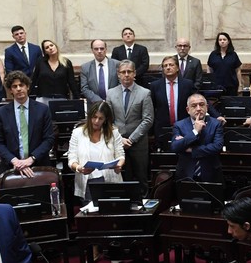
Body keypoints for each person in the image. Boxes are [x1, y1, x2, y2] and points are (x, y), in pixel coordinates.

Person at [105, 60, 154, 197]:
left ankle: (143, 204)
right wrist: (120, 138)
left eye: (129, 72)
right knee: (121, 178)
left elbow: (148, 119)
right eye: (123, 72)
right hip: (117, 142)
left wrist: (131, 139)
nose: (126, 75)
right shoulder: (111, 93)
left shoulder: (144, 93)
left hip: (138, 143)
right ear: (118, 74)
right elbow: (108, 120)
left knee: (141, 178)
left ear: (134, 73)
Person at [0, 71, 55, 177]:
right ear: (10, 90)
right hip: (11, 167)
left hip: (38, 164)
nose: (18, 89)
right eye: (14, 86)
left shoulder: (43, 109)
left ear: (27, 87)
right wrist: (15, 161)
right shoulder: (1, 113)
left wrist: (31, 159)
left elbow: (49, 139)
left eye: (21, 85)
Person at [149, 55, 222, 143]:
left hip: (183, 127)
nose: (168, 67)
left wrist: (216, 115)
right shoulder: (155, 86)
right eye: (165, 66)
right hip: (162, 128)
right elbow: (151, 108)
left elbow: (200, 100)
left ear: (177, 68)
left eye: (171, 65)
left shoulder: (187, 84)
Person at [67, 101, 125, 203]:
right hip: (87, 182)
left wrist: (119, 165)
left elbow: (120, 155)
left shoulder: (113, 133)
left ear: (106, 119)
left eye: (100, 118)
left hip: (110, 181)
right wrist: (79, 168)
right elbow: (72, 158)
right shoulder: (77, 133)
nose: (96, 121)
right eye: (94, 117)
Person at [171, 93, 224, 183]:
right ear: (188, 110)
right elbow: (175, 147)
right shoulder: (179, 125)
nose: (198, 108)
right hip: (185, 174)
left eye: (201, 105)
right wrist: (195, 132)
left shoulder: (216, 124)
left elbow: (217, 147)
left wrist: (192, 150)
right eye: (194, 106)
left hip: (211, 173)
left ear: (207, 107)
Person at [80, 39, 120, 103]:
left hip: (115, 102)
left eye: (102, 48)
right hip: (94, 104)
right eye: (96, 49)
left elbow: (121, 84)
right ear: (92, 50)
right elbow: (84, 88)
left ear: (106, 49)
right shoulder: (85, 67)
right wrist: (99, 101)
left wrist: (110, 99)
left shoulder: (117, 64)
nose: (99, 51)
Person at [207, 32, 243, 96]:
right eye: (220, 40)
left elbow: (238, 71)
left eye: (224, 39)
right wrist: (209, 83)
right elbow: (209, 69)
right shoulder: (213, 54)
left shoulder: (233, 54)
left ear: (228, 41)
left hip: (231, 86)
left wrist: (240, 85)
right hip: (216, 87)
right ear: (218, 42)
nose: (222, 41)